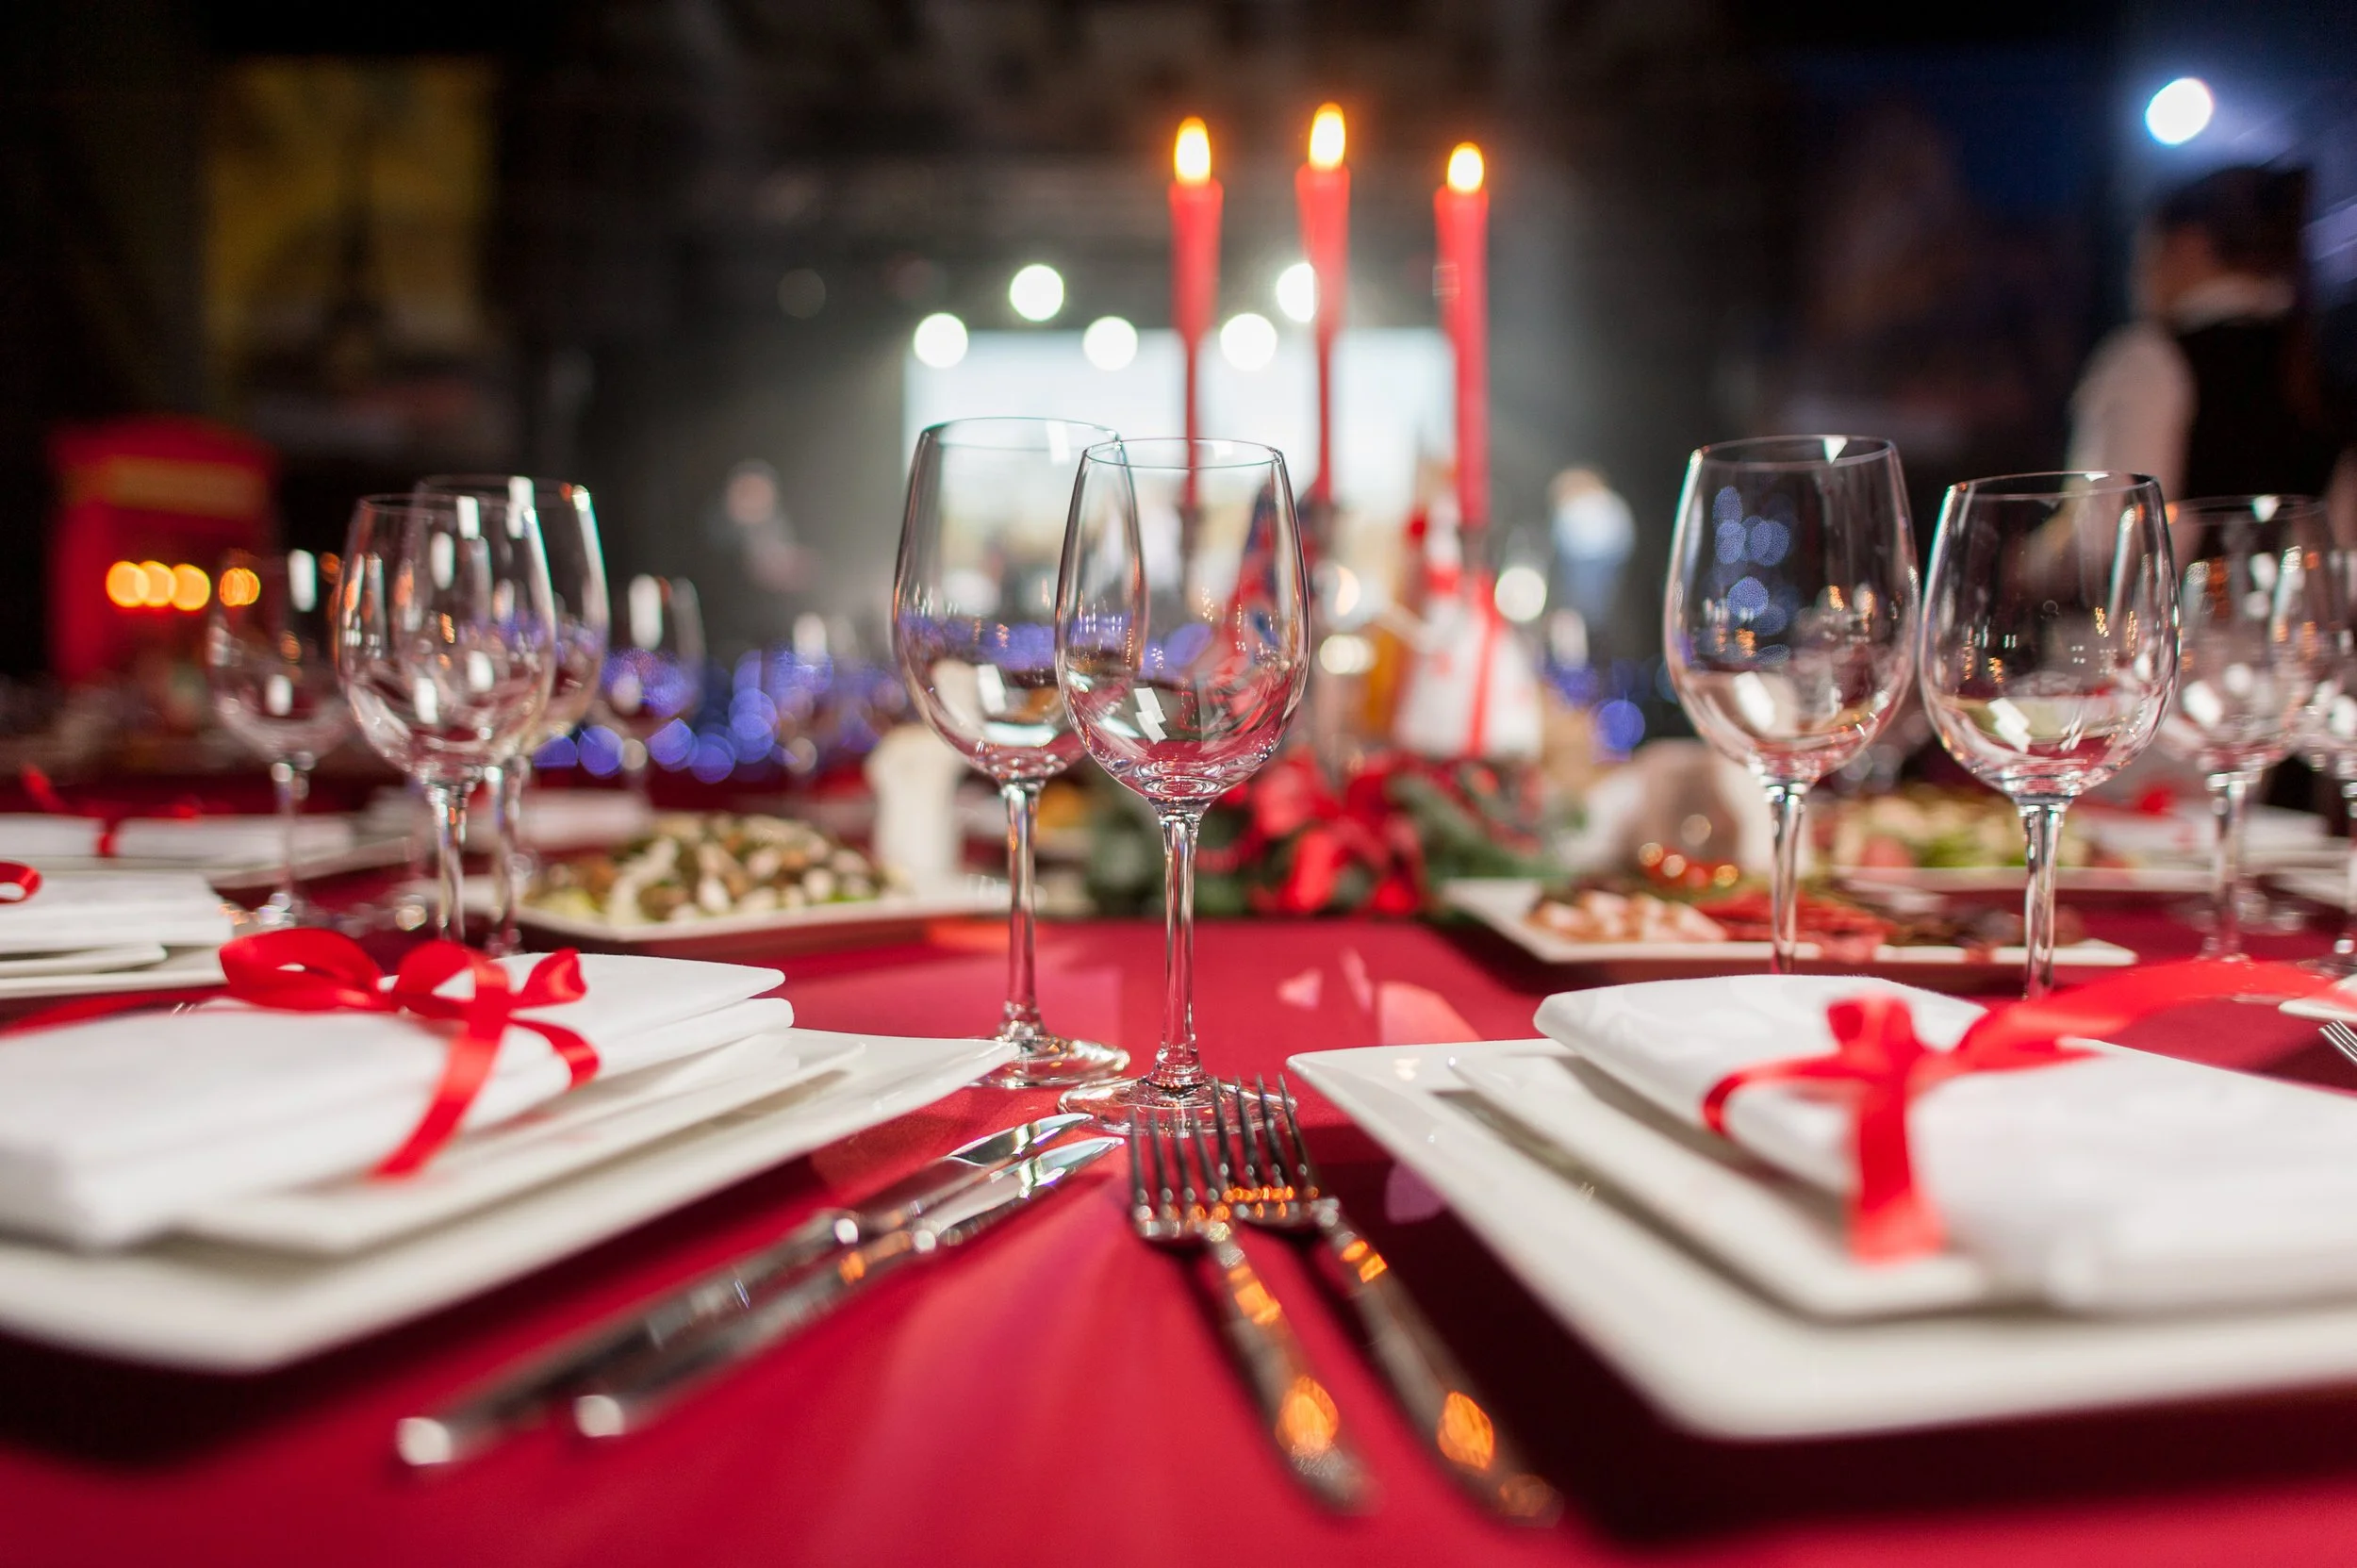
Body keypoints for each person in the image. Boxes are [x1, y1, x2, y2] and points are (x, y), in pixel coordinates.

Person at [2067, 164, 2347, 503]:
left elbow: (2109, 534)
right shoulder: (2321, 358)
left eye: (2143, 254)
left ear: (2188, 245)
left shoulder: (2148, 358)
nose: (2135, 277)